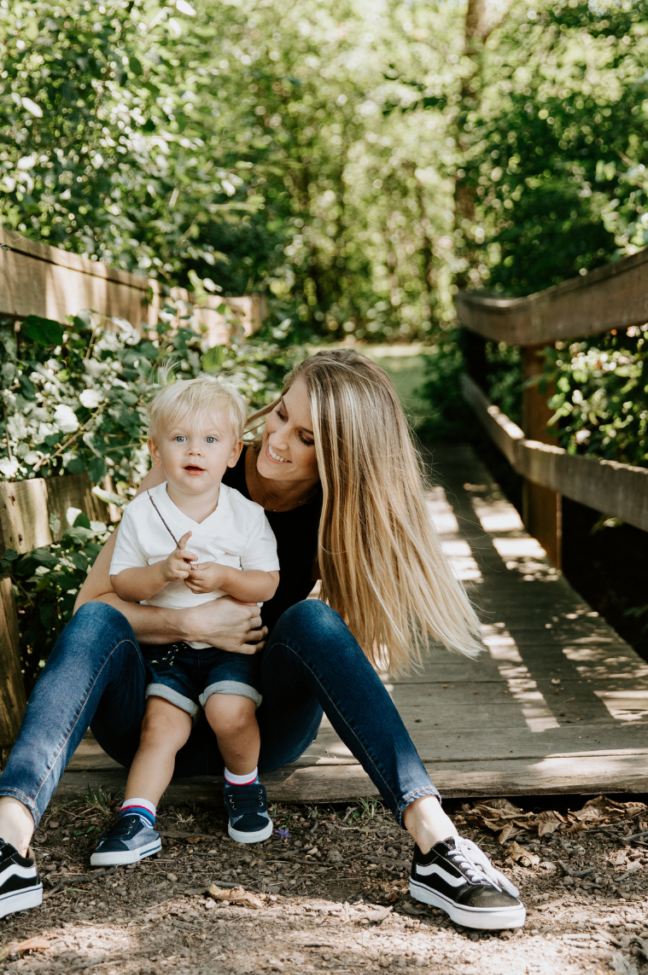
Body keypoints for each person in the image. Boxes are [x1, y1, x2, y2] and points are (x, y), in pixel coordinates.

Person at [0, 350, 526, 931]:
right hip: (148, 712)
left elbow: (334, 652)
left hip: (255, 722)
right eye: (279, 413)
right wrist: (189, 624)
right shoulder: (201, 459)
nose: (276, 440)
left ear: (340, 458)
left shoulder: (337, 514)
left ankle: (438, 846)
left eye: (305, 437)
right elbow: (90, 607)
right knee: (98, 625)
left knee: (313, 621)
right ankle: (8, 841)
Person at [91, 377, 280, 867]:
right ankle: (137, 818)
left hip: (232, 648)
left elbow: (267, 585)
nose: (194, 450)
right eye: (179, 439)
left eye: (210, 440)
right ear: (155, 449)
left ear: (234, 452)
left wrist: (224, 577)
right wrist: (159, 574)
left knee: (229, 713)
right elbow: (122, 583)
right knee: (160, 727)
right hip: (167, 651)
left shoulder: (248, 516)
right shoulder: (141, 513)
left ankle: (243, 788)